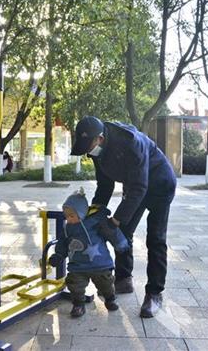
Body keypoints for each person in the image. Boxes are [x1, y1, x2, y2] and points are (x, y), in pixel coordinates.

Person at [70, 116, 176, 318]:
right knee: (123, 232)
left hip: (159, 185)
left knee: (155, 238)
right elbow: (105, 185)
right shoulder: (95, 149)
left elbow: (139, 187)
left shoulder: (130, 142)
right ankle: (123, 279)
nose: (87, 152)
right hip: (135, 185)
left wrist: (115, 220)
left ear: (100, 138)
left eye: (88, 147)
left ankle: (154, 293)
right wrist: (94, 213)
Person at [48, 188, 129, 318]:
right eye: (66, 216)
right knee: (75, 285)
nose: (68, 219)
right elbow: (63, 243)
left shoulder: (96, 222)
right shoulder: (68, 228)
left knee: (106, 284)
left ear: (81, 213)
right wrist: (58, 255)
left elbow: (111, 232)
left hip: (100, 264)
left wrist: (121, 244)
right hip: (77, 266)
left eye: (71, 216)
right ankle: (78, 305)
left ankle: (110, 299)